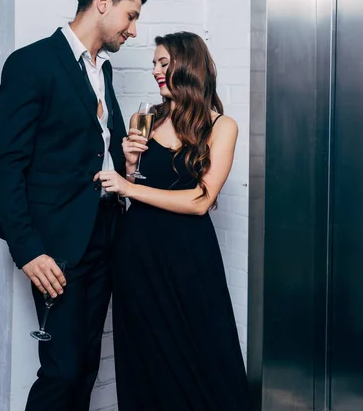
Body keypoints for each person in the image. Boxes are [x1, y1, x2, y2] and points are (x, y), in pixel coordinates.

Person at [0, 0, 150, 411]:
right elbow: (6, 164)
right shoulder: (32, 63)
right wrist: (27, 249)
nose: (133, 30)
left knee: (85, 367)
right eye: (130, 16)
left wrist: (126, 163)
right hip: (57, 244)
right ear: (103, 2)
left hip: (105, 234)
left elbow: (90, 153)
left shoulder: (106, 70)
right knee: (61, 370)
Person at [95, 31, 250, 410]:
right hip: (138, 252)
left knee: (207, 349)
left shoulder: (221, 126)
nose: (155, 71)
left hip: (189, 255)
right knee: (146, 352)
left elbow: (201, 200)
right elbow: (134, 184)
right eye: (154, 64)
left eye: (163, 63)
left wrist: (128, 188)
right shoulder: (145, 118)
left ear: (189, 65)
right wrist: (130, 167)